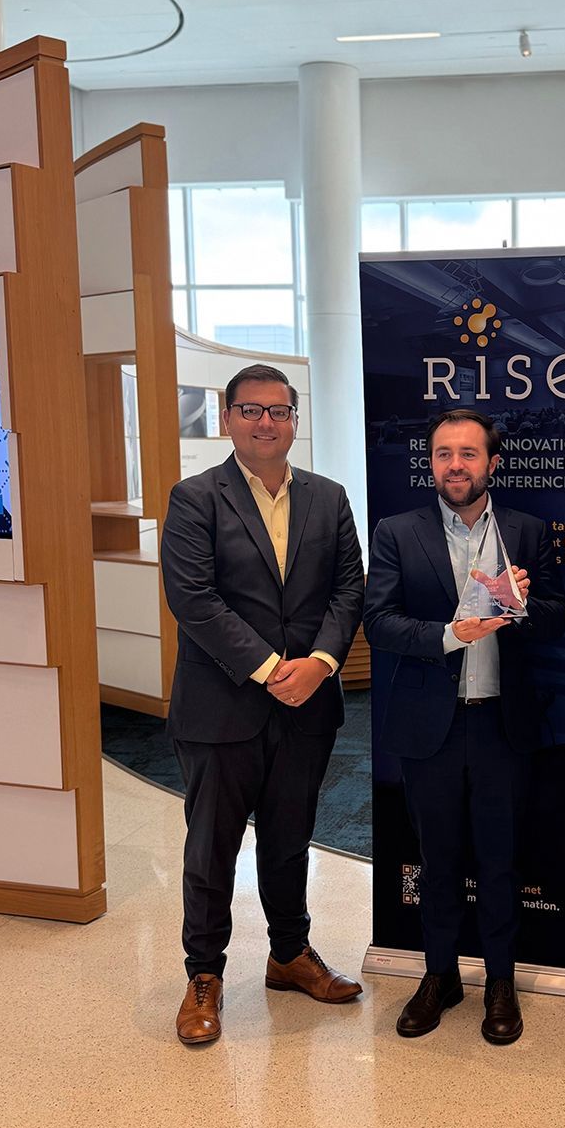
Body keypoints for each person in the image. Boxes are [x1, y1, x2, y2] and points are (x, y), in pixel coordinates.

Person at [160, 363, 365, 1046]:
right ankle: (204, 978)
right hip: (220, 710)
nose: (266, 423)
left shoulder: (329, 498)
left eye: (279, 412)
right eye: (251, 411)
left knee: (288, 841)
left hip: (307, 708)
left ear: (294, 421)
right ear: (227, 419)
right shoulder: (194, 499)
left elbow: (348, 591)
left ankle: (289, 955)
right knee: (211, 849)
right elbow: (194, 599)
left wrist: (324, 664)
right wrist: (274, 669)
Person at [365, 409, 565, 1045]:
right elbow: (379, 622)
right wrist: (451, 635)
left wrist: (522, 604)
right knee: (438, 859)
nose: (456, 464)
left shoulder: (526, 532)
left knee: (501, 861)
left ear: (492, 463)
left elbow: (559, 617)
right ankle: (440, 975)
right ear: (432, 463)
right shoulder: (398, 531)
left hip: (500, 726)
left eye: (469, 454)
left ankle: (501, 981)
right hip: (432, 727)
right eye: (444, 454)